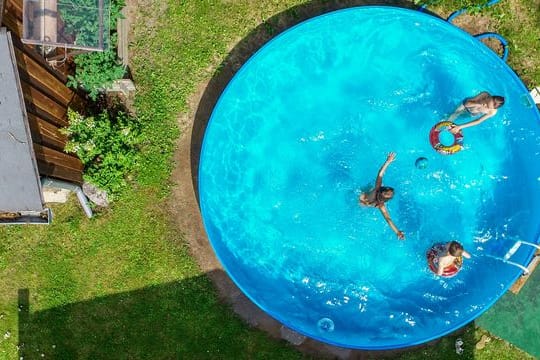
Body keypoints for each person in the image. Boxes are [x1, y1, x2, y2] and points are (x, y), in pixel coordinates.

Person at [359, 152, 405, 240]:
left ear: (382, 189)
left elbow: (380, 173)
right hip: (365, 205)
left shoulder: (377, 188)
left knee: (366, 188)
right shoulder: (381, 205)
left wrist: (388, 161)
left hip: (359, 197)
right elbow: (388, 219)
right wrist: (397, 232)